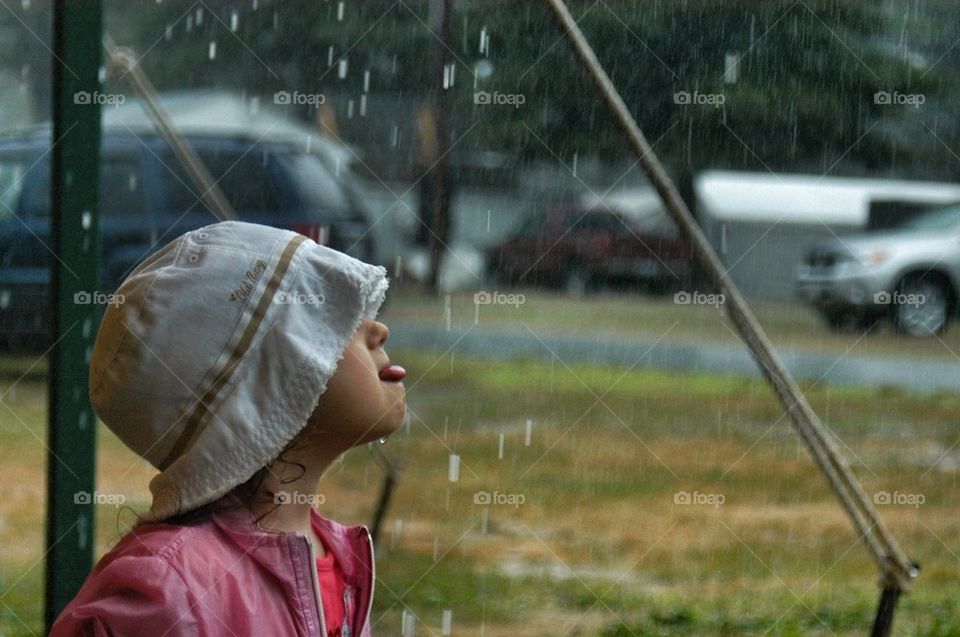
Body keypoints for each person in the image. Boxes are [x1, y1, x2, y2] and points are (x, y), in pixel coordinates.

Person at [49, 221, 407, 636]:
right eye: (333, 320)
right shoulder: (165, 597)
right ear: (259, 395)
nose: (378, 329)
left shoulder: (333, 557)